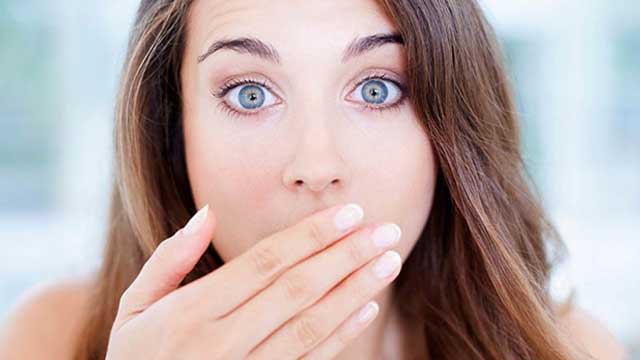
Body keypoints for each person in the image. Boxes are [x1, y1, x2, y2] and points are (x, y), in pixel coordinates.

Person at [0, 0, 628, 359]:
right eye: (249, 94)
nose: (317, 168)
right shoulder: (53, 337)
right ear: (172, 129)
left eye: (377, 89)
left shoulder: (566, 351)